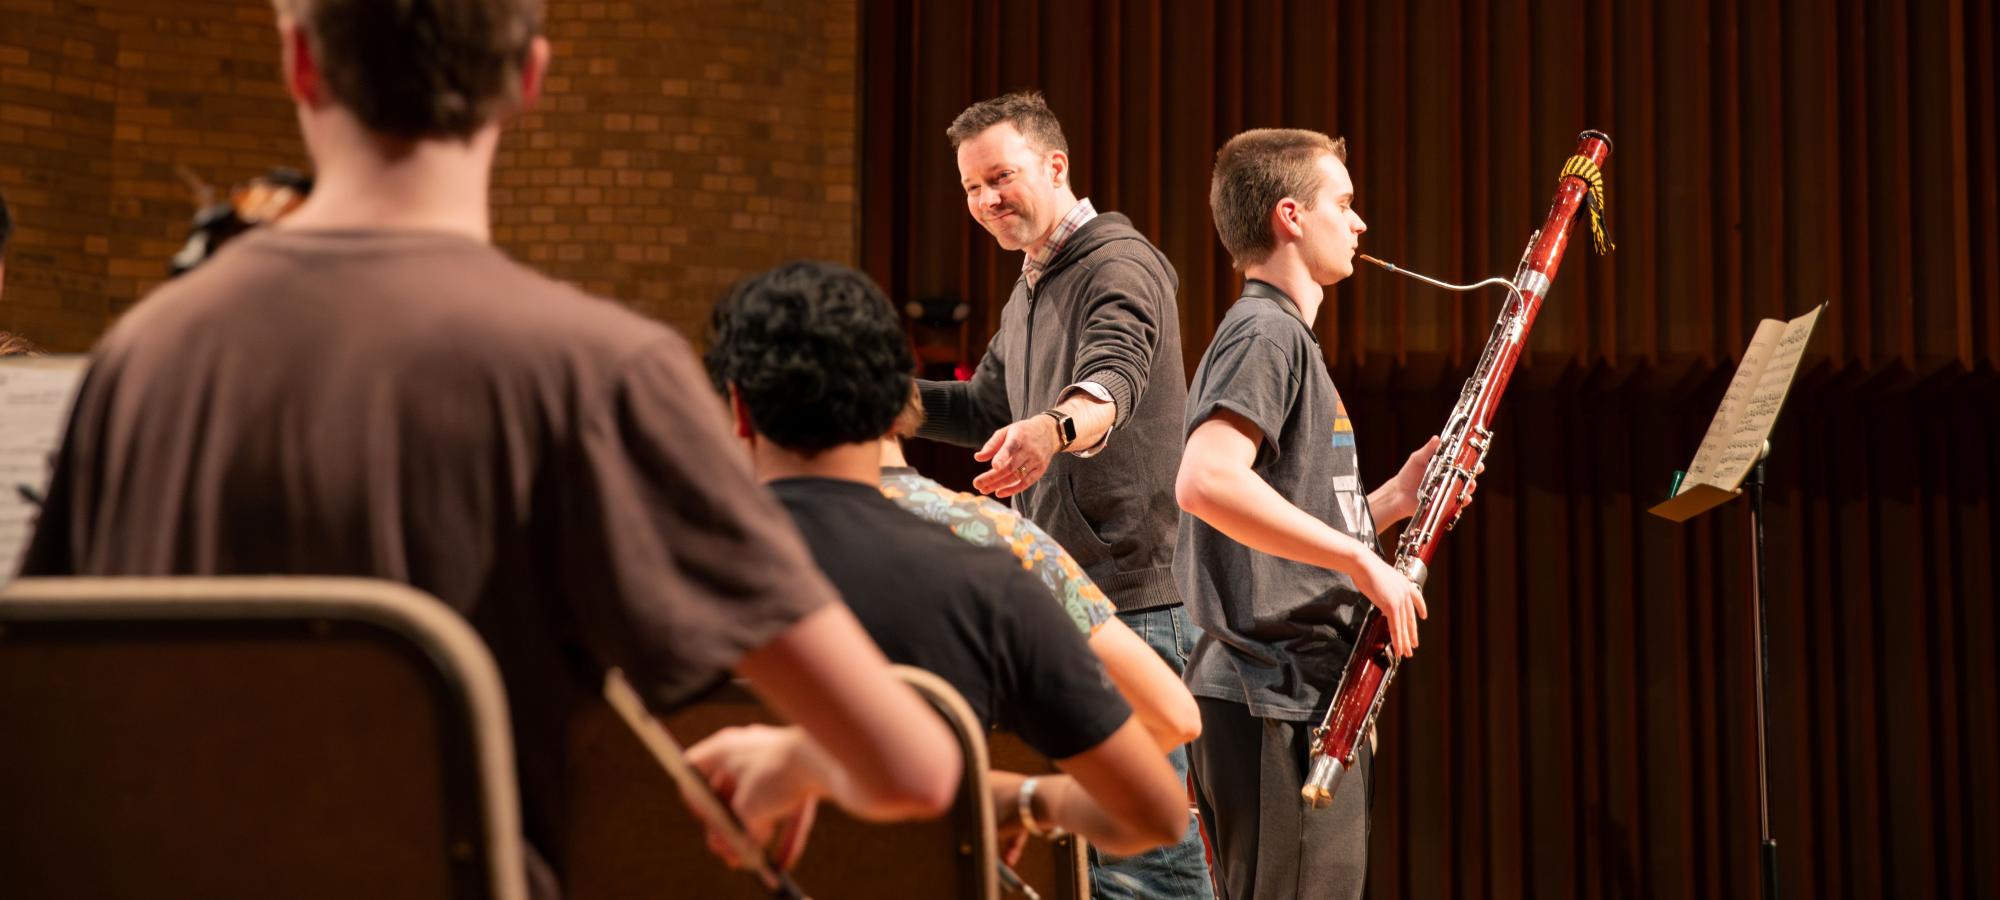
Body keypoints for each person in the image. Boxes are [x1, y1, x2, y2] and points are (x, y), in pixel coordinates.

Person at [18, 1, 960, 894]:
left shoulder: (140, 356)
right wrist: (790, 756)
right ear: (529, 79)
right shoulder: (601, 373)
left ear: (300, 66)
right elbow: (911, 769)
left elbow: (48, 717)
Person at [705, 259, 1189, 856]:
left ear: (738, 410)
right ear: (899, 407)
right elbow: (1158, 800)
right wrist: (1025, 799)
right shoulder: (996, 569)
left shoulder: (650, 562)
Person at [920, 89, 1206, 897]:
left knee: (1149, 869)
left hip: (1134, 601)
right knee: (1096, 861)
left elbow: (1111, 374)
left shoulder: (1118, 263)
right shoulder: (1030, 286)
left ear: (1056, 165)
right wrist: (870, 397)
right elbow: (984, 406)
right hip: (1072, 598)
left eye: (1001, 177)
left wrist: (1054, 428)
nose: (985, 201)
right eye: (972, 187)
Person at [1174, 128, 1436, 900]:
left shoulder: (1283, 337)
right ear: (1290, 216)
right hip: (1268, 690)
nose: (1359, 224)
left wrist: (1391, 501)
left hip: (1289, 691)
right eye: (1345, 204)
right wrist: (1364, 564)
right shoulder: (1266, 332)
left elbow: (1277, 516)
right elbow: (1207, 481)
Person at [880, 391, 1201, 753]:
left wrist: (1055, 429)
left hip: (1127, 582)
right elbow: (1175, 717)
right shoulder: (991, 534)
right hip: (971, 797)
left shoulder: (802, 538)